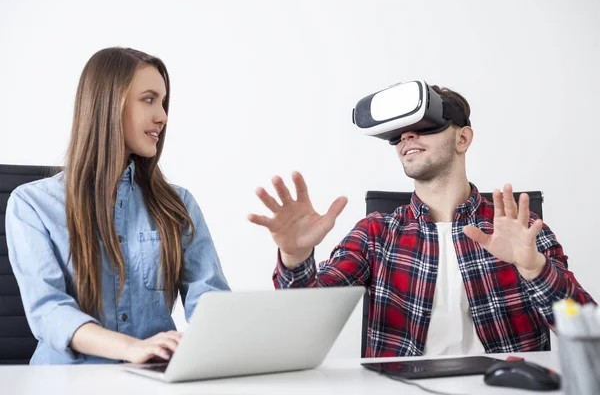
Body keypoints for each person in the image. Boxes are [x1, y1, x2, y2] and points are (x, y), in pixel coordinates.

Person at [248, 84, 596, 357]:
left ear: (462, 138)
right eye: (400, 133)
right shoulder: (376, 233)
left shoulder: (521, 227)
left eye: (423, 127)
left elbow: (586, 332)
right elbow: (302, 324)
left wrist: (535, 268)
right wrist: (295, 258)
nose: (407, 138)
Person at [6, 47, 229, 364]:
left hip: (152, 379)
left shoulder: (178, 204)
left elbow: (210, 300)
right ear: (107, 104)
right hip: (66, 381)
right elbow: (49, 310)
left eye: (163, 102)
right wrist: (130, 348)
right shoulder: (32, 204)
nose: (162, 116)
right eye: (149, 99)